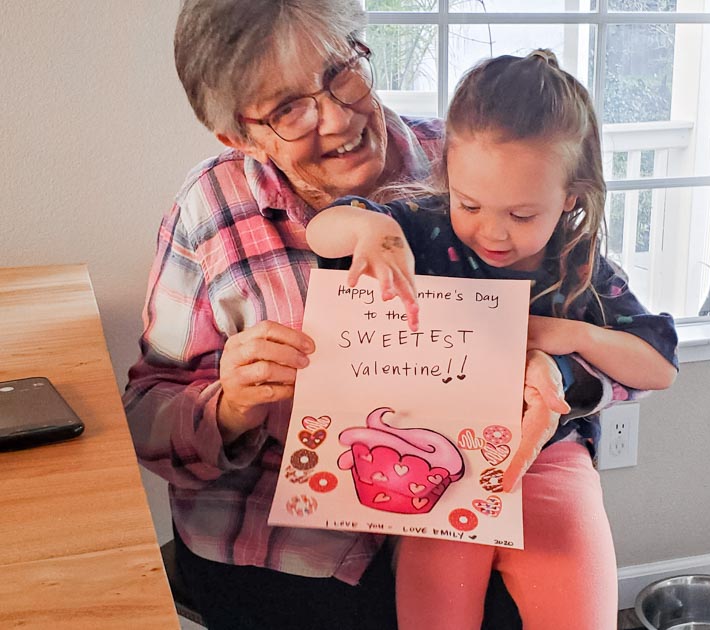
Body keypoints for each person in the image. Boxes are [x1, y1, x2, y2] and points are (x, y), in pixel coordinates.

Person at [122, 0, 660, 624]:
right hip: (280, 550)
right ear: (239, 136)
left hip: (466, 506)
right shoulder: (209, 209)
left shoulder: (471, 158)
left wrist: (560, 370)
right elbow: (145, 413)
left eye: (340, 72)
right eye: (288, 108)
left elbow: (591, 307)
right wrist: (230, 405)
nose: (336, 118)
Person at [306, 50, 679, 629]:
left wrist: (560, 333)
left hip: (550, 462)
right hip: (435, 460)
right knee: (433, 612)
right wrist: (372, 231)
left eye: (523, 214)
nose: (492, 232)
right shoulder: (424, 229)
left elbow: (660, 367)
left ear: (570, 198)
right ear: (449, 178)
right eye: (470, 203)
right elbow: (324, 230)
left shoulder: (580, 266)